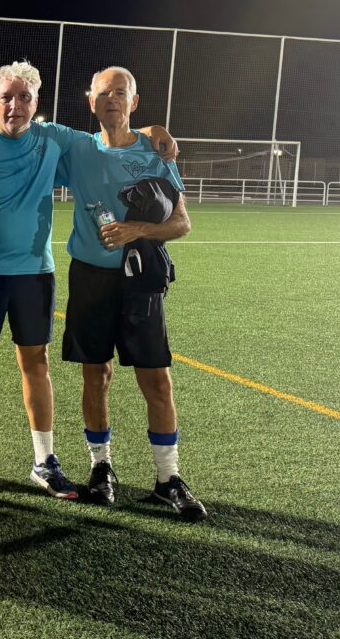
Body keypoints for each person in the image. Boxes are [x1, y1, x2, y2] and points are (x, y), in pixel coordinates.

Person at [0, 62, 176, 498]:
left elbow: (112, 130)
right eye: (6, 97)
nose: (15, 105)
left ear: (36, 102)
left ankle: (44, 461)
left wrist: (154, 129)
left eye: (24, 97)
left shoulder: (54, 139)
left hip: (34, 272)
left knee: (37, 365)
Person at [57, 66, 206, 521]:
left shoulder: (156, 150)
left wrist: (136, 229)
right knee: (95, 374)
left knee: (156, 379)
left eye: (120, 93)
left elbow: (181, 222)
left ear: (134, 102)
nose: (112, 99)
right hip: (90, 277)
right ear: (91, 102)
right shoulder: (78, 148)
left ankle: (168, 478)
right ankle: (101, 468)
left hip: (140, 280)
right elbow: (25, 139)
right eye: (104, 93)